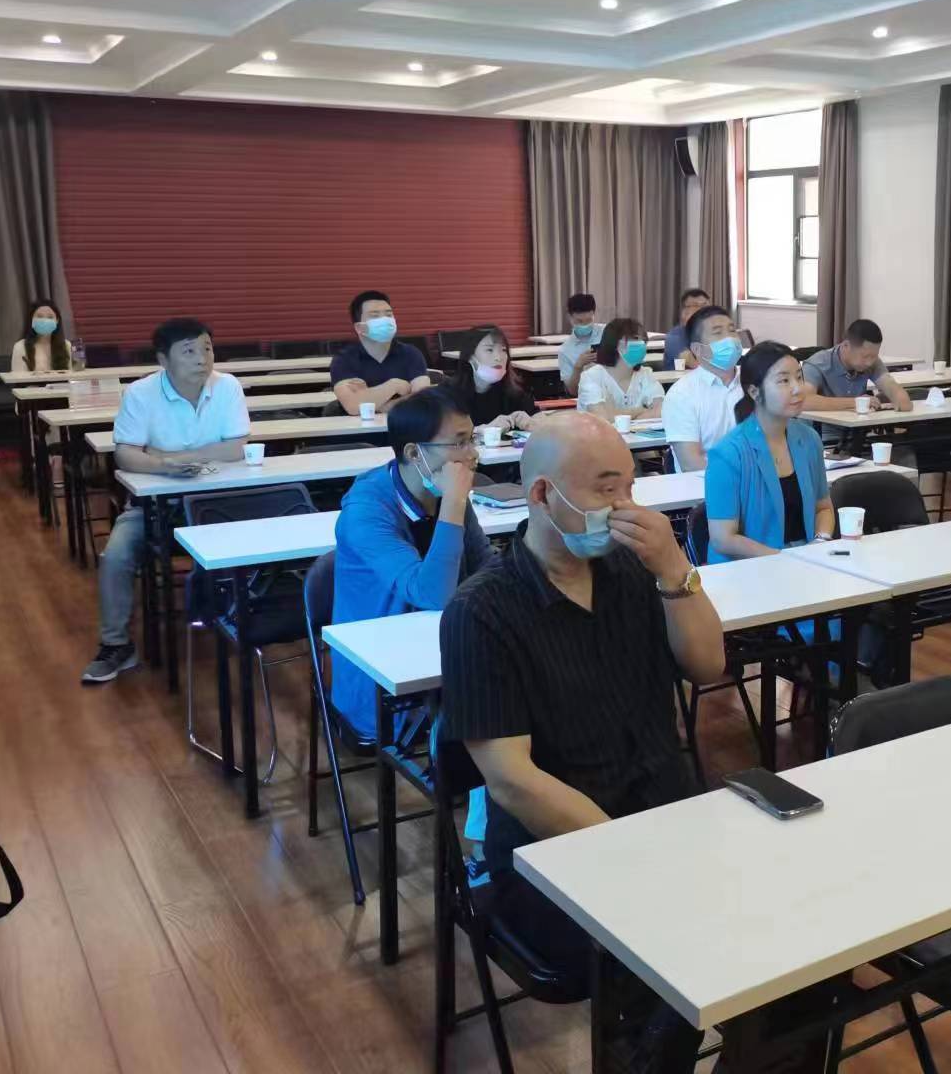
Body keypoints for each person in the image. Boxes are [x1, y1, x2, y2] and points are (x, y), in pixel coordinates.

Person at [442, 412, 725, 1070]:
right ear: (543, 495)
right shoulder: (481, 612)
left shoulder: (634, 571)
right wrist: (632, 858)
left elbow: (708, 665)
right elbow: (512, 780)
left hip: (667, 815)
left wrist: (675, 567)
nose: (625, 506)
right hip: (556, 856)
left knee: (798, 928)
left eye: (629, 487)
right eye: (605, 489)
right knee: (676, 946)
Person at [85, 318, 250, 685]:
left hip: (218, 502)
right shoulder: (140, 393)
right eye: (188, 351)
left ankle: (239, 616)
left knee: (259, 539)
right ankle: (116, 644)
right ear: (163, 359)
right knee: (115, 556)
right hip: (156, 503)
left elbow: (237, 447)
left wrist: (171, 455)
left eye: (206, 348)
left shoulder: (227, 386)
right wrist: (164, 467)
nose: (202, 358)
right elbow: (125, 455)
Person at [330, 388, 492, 740]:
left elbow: (487, 569)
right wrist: (454, 502)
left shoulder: (445, 492)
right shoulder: (366, 511)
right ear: (414, 453)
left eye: (472, 439)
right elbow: (431, 594)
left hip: (444, 647)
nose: (473, 454)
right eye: (459, 443)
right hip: (383, 682)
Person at [704, 342, 835, 562]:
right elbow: (723, 538)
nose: (797, 388)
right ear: (754, 392)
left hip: (805, 562)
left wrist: (820, 542)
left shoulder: (809, 439)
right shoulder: (728, 453)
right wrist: (784, 560)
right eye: (784, 381)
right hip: (747, 567)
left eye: (799, 377)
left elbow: (823, 508)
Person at [662, 305, 745, 472]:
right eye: (718, 333)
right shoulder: (682, 394)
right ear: (697, 349)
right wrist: (741, 476)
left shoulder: (756, 382)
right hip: (705, 484)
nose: (730, 338)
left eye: (732, 330)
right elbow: (690, 464)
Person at [330, 290, 431, 414]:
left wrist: (376, 403)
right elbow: (353, 406)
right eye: (375, 316)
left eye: (388, 314)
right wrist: (393, 386)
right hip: (360, 426)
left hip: (403, 424)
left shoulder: (411, 353)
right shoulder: (344, 359)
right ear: (359, 328)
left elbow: (422, 400)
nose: (385, 320)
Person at [799, 319, 912, 414]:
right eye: (865, 356)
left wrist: (900, 398)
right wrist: (856, 402)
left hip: (857, 428)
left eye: (874, 356)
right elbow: (804, 400)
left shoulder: (872, 362)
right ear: (846, 346)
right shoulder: (817, 364)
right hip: (823, 431)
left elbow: (890, 385)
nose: (869, 363)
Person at [450, 325, 538, 432]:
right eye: (489, 350)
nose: (498, 357)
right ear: (470, 357)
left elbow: (538, 418)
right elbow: (444, 434)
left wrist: (531, 423)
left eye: (503, 350)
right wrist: (483, 430)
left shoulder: (514, 391)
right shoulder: (450, 394)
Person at [577, 317, 665, 421]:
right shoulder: (591, 377)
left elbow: (662, 409)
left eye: (643, 340)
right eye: (635, 338)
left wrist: (619, 415)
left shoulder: (645, 374)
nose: (642, 344)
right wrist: (640, 410)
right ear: (615, 343)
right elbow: (602, 416)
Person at [9, 297, 74, 373]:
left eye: (50, 317)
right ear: (32, 320)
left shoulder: (66, 345)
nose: (45, 320)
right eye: (39, 316)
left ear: (57, 321)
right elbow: (18, 378)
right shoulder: (20, 346)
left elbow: (69, 375)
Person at [557, 293, 602, 396]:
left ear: (594, 314)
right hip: (588, 397)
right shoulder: (565, 350)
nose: (585, 325)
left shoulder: (607, 333)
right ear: (570, 317)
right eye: (580, 321)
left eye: (589, 320)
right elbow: (573, 392)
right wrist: (578, 366)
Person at [663, 287, 711, 369]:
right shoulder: (675, 336)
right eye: (696, 306)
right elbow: (693, 364)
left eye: (705, 306)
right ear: (684, 312)